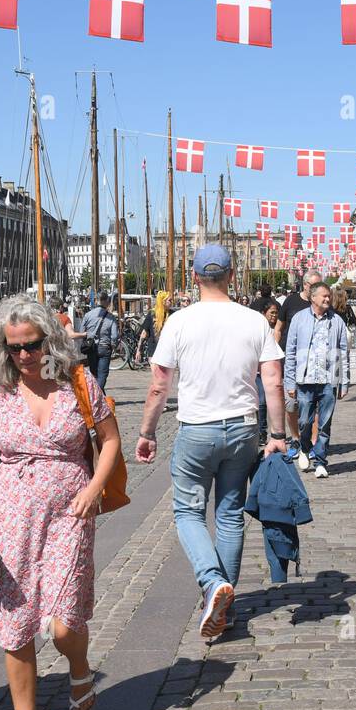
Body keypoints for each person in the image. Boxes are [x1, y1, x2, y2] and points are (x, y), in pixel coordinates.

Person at [0, 296, 122, 710]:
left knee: (64, 623)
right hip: (10, 517)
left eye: (31, 345)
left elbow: (111, 440)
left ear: (49, 340)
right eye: (13, 349)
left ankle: (78, 669)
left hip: (70, 513)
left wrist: (95, 487)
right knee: (15, 627)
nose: (24, 356)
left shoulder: (79, 383)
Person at [136, 245, 286, 639]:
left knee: (188, 512)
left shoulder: (179, 322)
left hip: (197, 427)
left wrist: (147, 432)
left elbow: (158, 386)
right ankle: (227, 607)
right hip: (242, 427)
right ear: (232, 276)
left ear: (195, 276)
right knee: (230, 513)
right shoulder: (254, 321)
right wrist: (278, 435)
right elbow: (273, 380)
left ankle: (210, 582)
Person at [283, 282, 350, 478]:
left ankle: (321, 461)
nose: (328, 299)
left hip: (329, 380)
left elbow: (344, 352)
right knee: (304, 421)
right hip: (305, 380)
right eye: (324, 296)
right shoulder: (299, 319)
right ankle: (304, 448)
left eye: (328, 296)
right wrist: (290, 382)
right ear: (313, 298)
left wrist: (344, 382)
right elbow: (291, 352)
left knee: (325, 425)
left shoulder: (336, 321)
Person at [275, 271, 321, 446]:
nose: (318, 290)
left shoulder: (322, 304)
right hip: (291, 361)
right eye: (314, 286)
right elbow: (278, 328)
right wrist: (276, 354)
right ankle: (295, 438)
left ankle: (313, 442)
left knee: (314, 404)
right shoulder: (291, 301)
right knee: (291, 404)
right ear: (305, 285)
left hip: (314, 363)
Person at [81, 292, 120, 391]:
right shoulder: (111, 317)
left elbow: (82, 331)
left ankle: (95, 395)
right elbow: (114, 336)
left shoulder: (88, 315)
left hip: (91, 347)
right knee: (102, 374)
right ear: (106, 301)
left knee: (93, 373)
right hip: (105, 347)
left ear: (96, 301)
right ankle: (98, 395)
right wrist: (114, 346)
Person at [257, 300, 280, 434]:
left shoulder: (280, 329)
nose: (274, 316)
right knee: (261, 402)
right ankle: (261, 432)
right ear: (263, 314)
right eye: (271, 313)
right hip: (260, 371)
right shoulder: (260, 329)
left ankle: (276, 431)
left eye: (276, 313)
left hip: (277, 370)